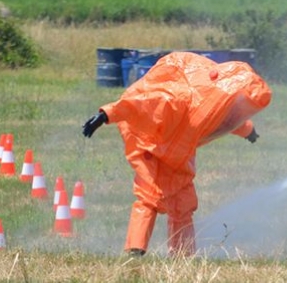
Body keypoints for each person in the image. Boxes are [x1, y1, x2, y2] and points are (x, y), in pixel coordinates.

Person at [81, 51, 272, 257]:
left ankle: (183, 255)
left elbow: (226, 122)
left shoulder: (219, 107)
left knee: (184, 202)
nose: (240, 112)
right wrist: (107, 114)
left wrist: (248, 130)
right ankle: (135, 250)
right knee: (150, 194)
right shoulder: (177, 98)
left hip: (178, 150)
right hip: (146, 140)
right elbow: (140, 102)